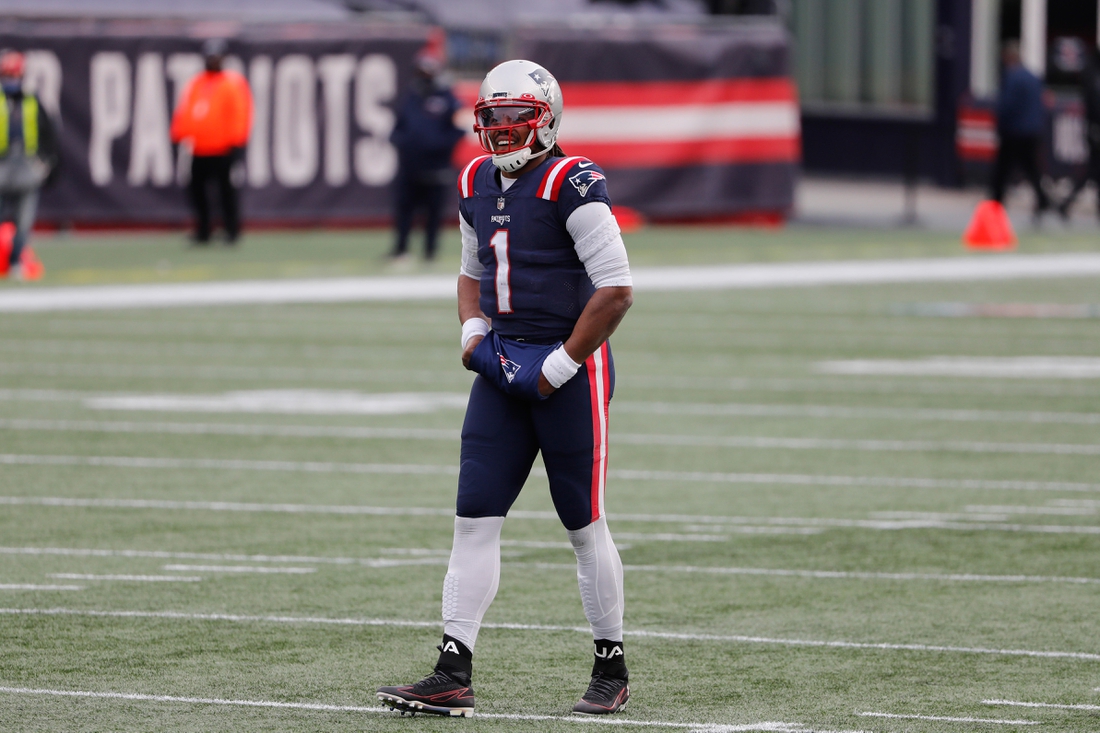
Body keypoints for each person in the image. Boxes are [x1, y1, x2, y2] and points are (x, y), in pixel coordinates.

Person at [376, 59, 634, 717]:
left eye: (518, 117)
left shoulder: (572, 181)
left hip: (568, 365)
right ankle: (453, 668)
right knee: (472, 518)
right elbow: (471, 269)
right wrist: (471, 329)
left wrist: (564, 361)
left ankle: (611, 663)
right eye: (494, 118)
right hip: (500, 364)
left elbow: (616, 289)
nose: (505, 129)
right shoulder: (471, 178)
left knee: (582, 521)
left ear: (545, 119)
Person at [170, 39, 252, 245]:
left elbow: (240, 113)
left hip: (224, 148)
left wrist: (237, 142)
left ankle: (232, 231)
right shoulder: (197, 83)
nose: (213, 61)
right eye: (210, 57)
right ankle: (203, 230)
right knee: (197, 192)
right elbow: (186, 112)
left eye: (217, 57)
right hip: (199, 148)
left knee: (227, 192)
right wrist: (178, 136)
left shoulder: (232, 83)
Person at [388, 53, 465, 262]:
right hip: (409, 166)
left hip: (436, 168)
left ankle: (430, 252)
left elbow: (459, 129)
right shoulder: (411, 96)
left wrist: (437, 146)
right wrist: (401, 142)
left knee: (433, 213)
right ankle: (400, 249)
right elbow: (398, 127)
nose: (423, 77)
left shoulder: (448, 98)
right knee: (404, 210)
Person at [0, 49, 58, 280]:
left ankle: (15, 261)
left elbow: (49, 136)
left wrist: (45, 164)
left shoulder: (33, 102)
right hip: (2, 165)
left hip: (25, 166)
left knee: (24, 221)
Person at [990, 40, 1050, 219]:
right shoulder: (1033, 77)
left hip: (1014, 131)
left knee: (1003, 169)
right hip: (1032, 131)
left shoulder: (1012, 77)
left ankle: (996, 202)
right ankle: (1042, 199)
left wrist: (1000, 124)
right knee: (1031, 169)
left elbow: (1007, 105)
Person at [1058, 47, 1100, 221]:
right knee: (1092, 171)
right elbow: (1094, 105)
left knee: (1094, 172)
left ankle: (1067, 203)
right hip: (1095, 129)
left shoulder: (1091, 72)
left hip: (1093, 128)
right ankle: (1066, 203)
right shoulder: (1093, 74)